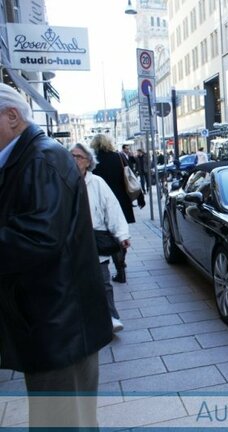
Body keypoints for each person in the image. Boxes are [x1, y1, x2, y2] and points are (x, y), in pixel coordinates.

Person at [0, 82, 112, 428]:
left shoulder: (42, 159)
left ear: (12, 116)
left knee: (61, 422)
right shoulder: (31, 157)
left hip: (58, 325)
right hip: (51, 322)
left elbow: (38, 238)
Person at [71, 143, 131, 333]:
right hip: (71, 241)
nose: (74, 160)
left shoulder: (97, 182)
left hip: (95, 238)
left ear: (88, 161)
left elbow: (111, 209)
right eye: (71, 156)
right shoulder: (61, 180)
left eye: (78, 157)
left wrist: (122, 235)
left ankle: (111, 317)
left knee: (103, 283)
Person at [92, 133, 144, 283]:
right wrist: (140, 197)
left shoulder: (93, 160)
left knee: (108, 235)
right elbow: (130, 177)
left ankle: (113, 266)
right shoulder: (119, 157)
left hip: (100, 202)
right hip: (120, 200)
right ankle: (120, 265)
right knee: (120, 234)